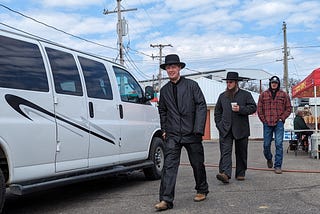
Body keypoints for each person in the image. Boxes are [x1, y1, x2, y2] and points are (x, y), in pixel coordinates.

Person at [154, 54, 209, 211]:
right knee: (169, 167)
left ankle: (202, 189)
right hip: (172, 135)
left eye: (173, 67)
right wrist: (164, 130)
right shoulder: (164, 91)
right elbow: (162, 111)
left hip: (192, 133)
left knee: (197, 164)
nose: (171, 70)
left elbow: (201, 106)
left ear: (179, 68)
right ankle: (166, 200)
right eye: (168, 68)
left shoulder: (192, 86)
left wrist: (198, 129)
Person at [214, 72, 257, 184]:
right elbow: (217, 112)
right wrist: (219, 125)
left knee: (241, 152)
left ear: (236, 83)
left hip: (241, 129)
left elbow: (253, 107)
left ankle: (240, 173)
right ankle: (225, 174)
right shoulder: (222, 96)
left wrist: (241, 109)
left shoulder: (246, 95)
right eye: (227, 82)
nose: (228, 84)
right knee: (225, 152)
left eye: (231, 82)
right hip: (225, 129)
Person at [257, 76, 291, 174]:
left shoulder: (284, 95)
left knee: (279, 144)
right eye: (272, 82)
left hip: (279, 123)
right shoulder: (263, 95)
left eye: (275, 83)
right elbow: (259, 109)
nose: (274, 84)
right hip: (267, 123)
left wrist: (282, 118)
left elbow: (288, 108)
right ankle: (269, 158)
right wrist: (264, 120)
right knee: (266, 145)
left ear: (278, 84)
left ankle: (278, 166)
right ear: (270, 83)